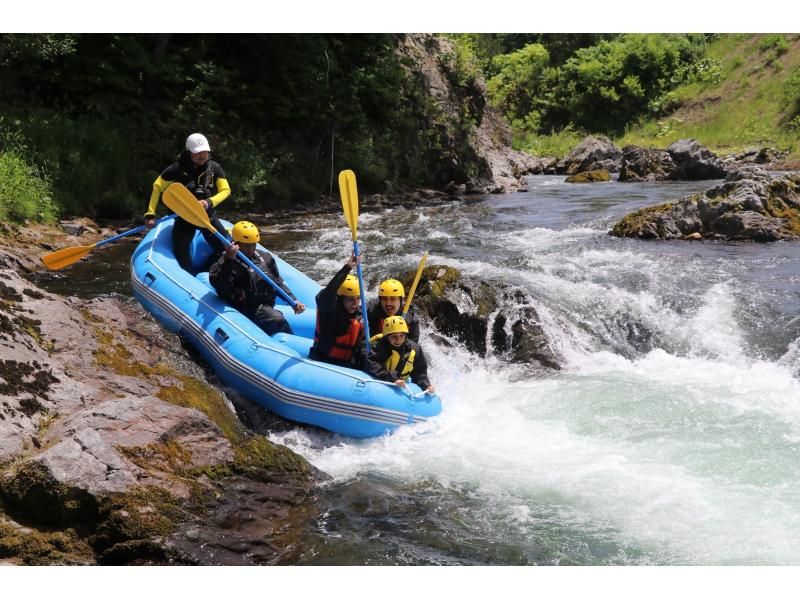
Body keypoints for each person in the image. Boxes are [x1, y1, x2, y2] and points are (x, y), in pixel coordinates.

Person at [144, 133, 231, 273]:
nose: (202, 156)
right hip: (184, 217)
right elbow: (157, 186)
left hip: (206, 216)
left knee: (225, 247)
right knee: (180, 250)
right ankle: (190, 276)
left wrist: (209, 202)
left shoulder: (215, 168)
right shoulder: (177, 168)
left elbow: (226, 190)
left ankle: (215, 270)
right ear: (189, 152)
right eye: (198, 153)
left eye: (205, 152)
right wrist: (150, 214)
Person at [209, 221, 305, 335]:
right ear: (236, 243)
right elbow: (221, 286)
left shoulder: (265, 258)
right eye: (247, 245)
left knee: (274, 316)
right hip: (245, 309)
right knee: (277, 319)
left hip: (265, 306)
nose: (251, 249)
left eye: (253, 245)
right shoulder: (225, 263)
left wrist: (292, 300)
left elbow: (277, 282)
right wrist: (228, 260)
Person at [308, 254, 365, 369]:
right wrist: (347, 268)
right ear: (340, 298)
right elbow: (328, 292)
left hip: (347, 365)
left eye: (358, 298)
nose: (355, 303)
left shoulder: (360, 315)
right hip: (322, 361)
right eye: (350, 299)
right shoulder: (329, 311)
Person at [365, 315, 435, 394]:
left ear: (406, 335)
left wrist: (426, 385)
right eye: (393, 336)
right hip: (384, 379)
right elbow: (371, 364)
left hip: (403, 382)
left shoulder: (415, 349)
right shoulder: (381, 346)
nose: (398, 340)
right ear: (387, 337)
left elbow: (420, 372)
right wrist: (393, 378)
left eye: (402, 335)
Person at [366, 278, 420, 343]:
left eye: (393, 299)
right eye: (385, 299)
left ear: (400, 300)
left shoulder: (411, 319)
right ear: (380, 300)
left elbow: (413, 346)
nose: (388, 303)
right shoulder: (371, 310)